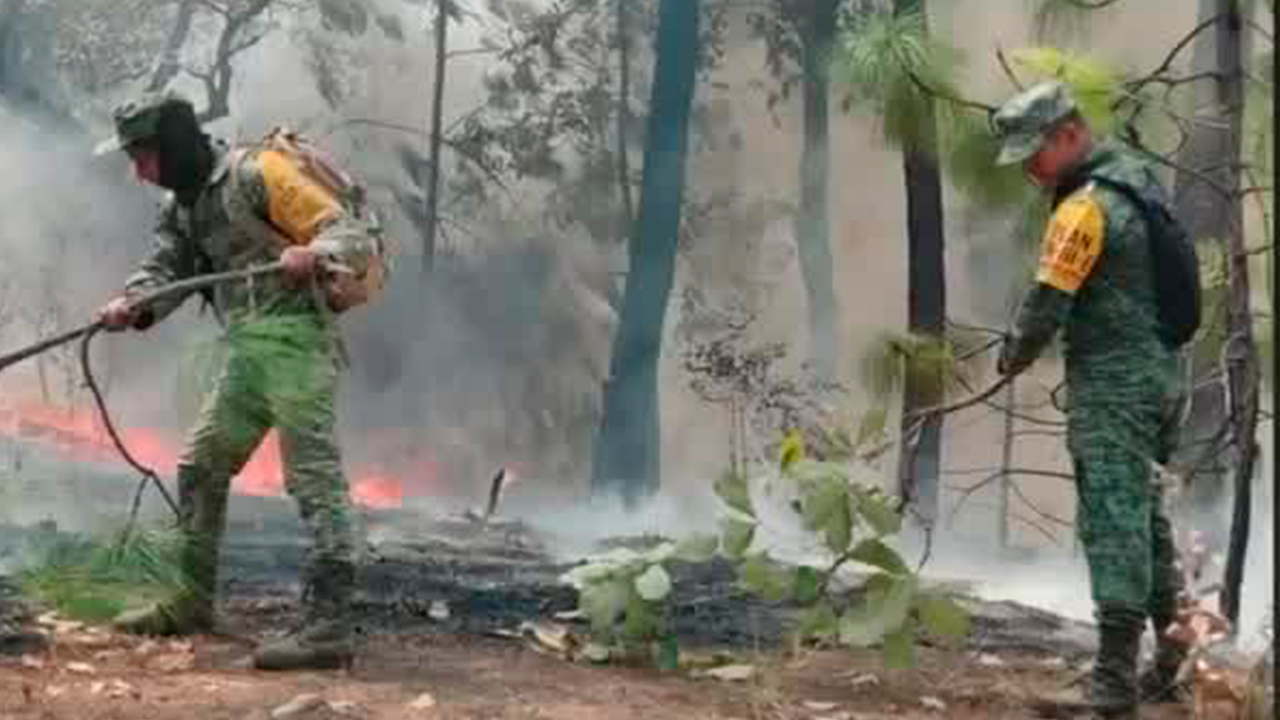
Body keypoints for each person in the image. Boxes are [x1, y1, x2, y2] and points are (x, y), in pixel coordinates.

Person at [93, 90, 376, 671]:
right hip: (249, 349)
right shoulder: (181, 206)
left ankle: (327, 628)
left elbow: (346, 232)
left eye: (145, 154)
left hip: (298, 342)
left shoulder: (258, 173)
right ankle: (192, 601)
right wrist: (133, 303)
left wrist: (313, 252)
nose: (139, 170)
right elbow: (167, 267)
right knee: (201, 464)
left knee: (314, 479)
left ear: (173, 146)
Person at [991, 82, 1190, 719]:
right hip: (1159, 378)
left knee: (1113, 523)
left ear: (1068, 134)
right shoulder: (1138, 181)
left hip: (1114, 388)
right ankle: (1170, 665)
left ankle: (1111, 686)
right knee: (1148, 522)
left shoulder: (1083, 209)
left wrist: (1013, 354)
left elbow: (1048, 300)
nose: (1027, 168)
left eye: (1033, 152)